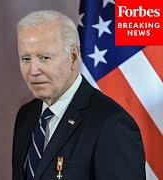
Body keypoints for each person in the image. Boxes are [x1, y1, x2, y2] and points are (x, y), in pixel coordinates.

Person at [12, 10, 145, 180]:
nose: (33, 71)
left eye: (44, 57)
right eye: (25, 59)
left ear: (73, 57)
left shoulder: (110, 123)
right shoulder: (26, 115)